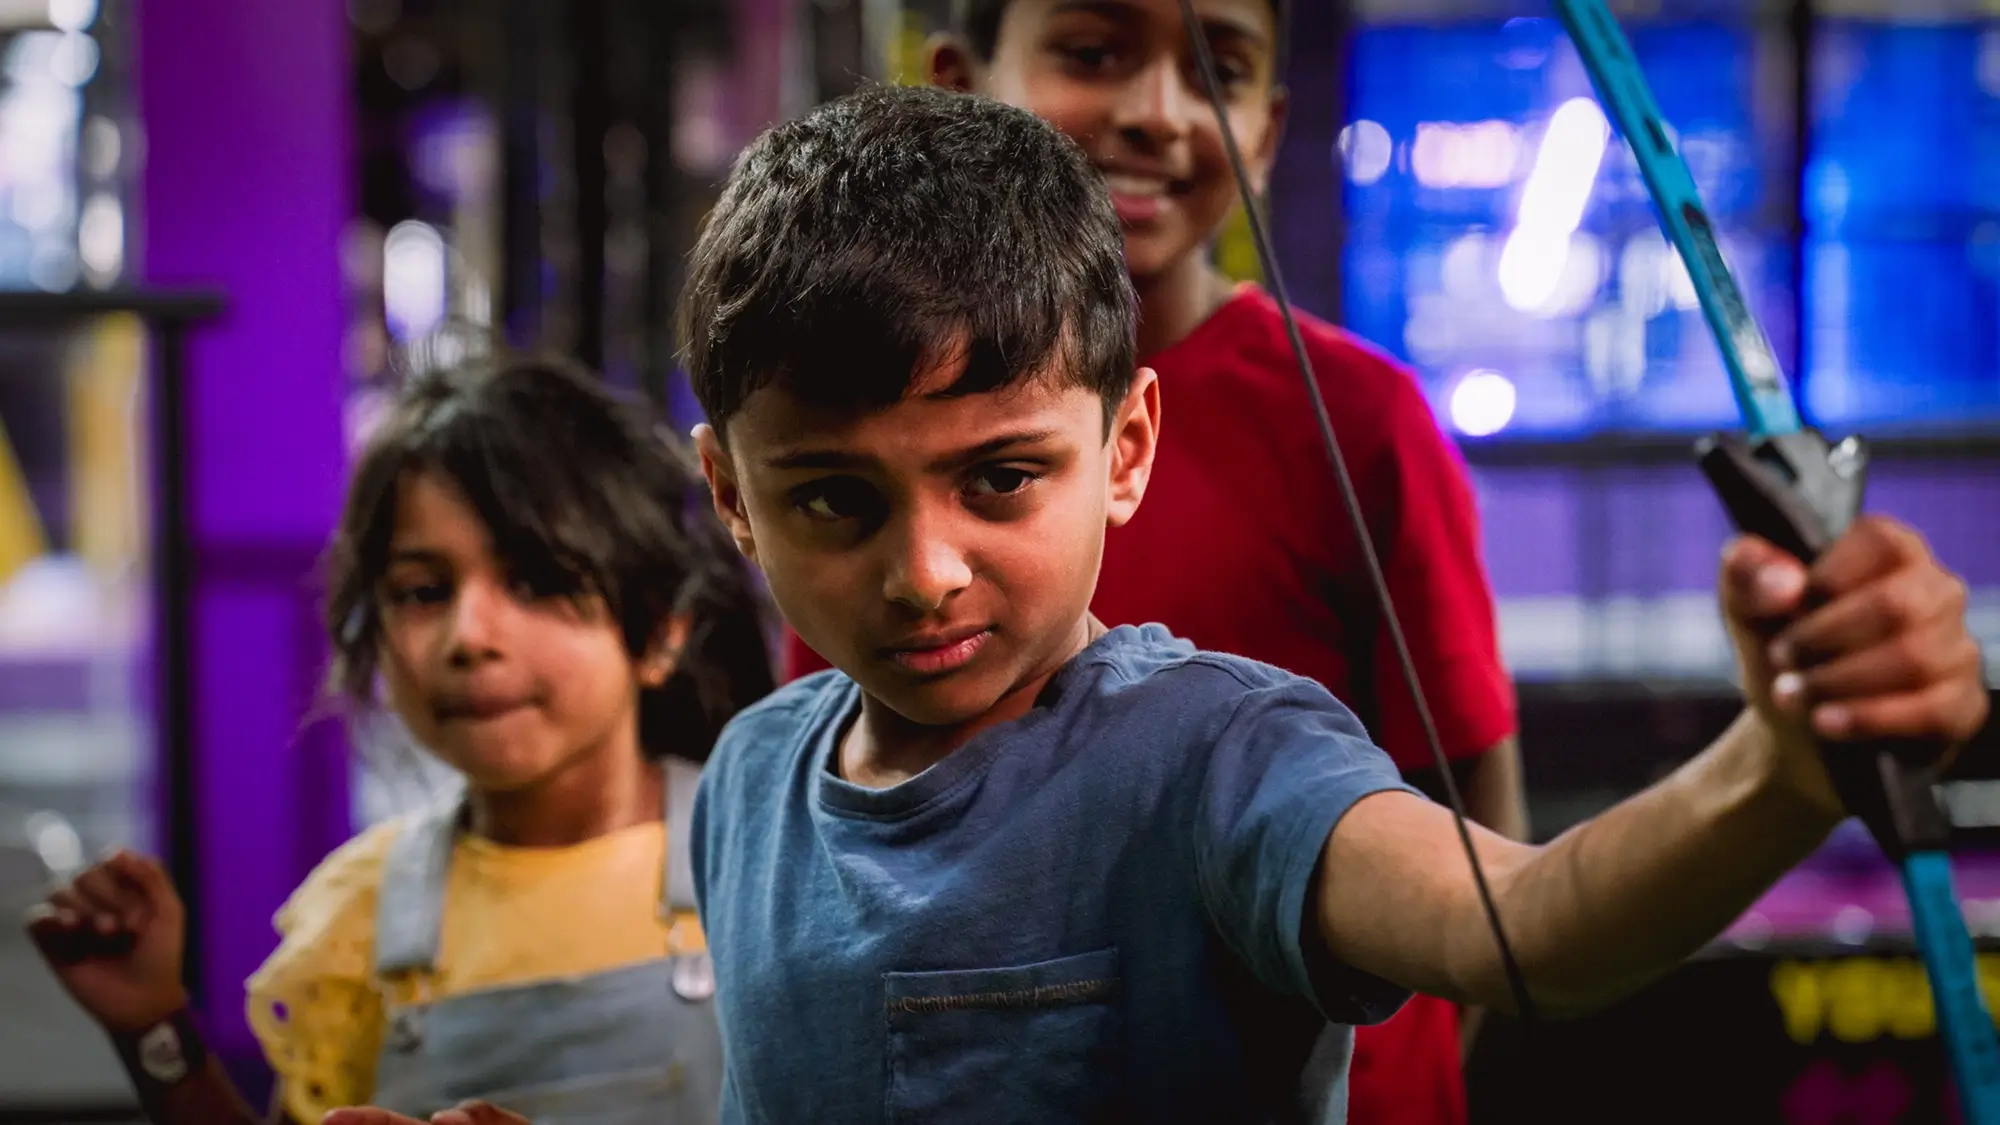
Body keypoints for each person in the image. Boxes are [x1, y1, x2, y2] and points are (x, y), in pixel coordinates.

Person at [337, 85, 1985, 1125]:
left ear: (1123, 450)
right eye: (836, 498)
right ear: (726, 496)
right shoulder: (755, 780)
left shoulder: (1220, 757)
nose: (925, 572)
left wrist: (1780, 764)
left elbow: (1529, 930)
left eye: (1001, 478)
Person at [783, 4, 1521, 1116]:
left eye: (1216, 70)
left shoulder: (1355, 419)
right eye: (1091, 53)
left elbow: (1483, 847)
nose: (1157, 115)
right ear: (954, 83)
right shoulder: (856, 430)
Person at [25, 356, 775, 1125]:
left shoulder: (766, 859)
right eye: (423, 591)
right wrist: (153, 1024)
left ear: (656, 631)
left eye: (537, 581)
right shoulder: (363, 912)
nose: (469, 635)